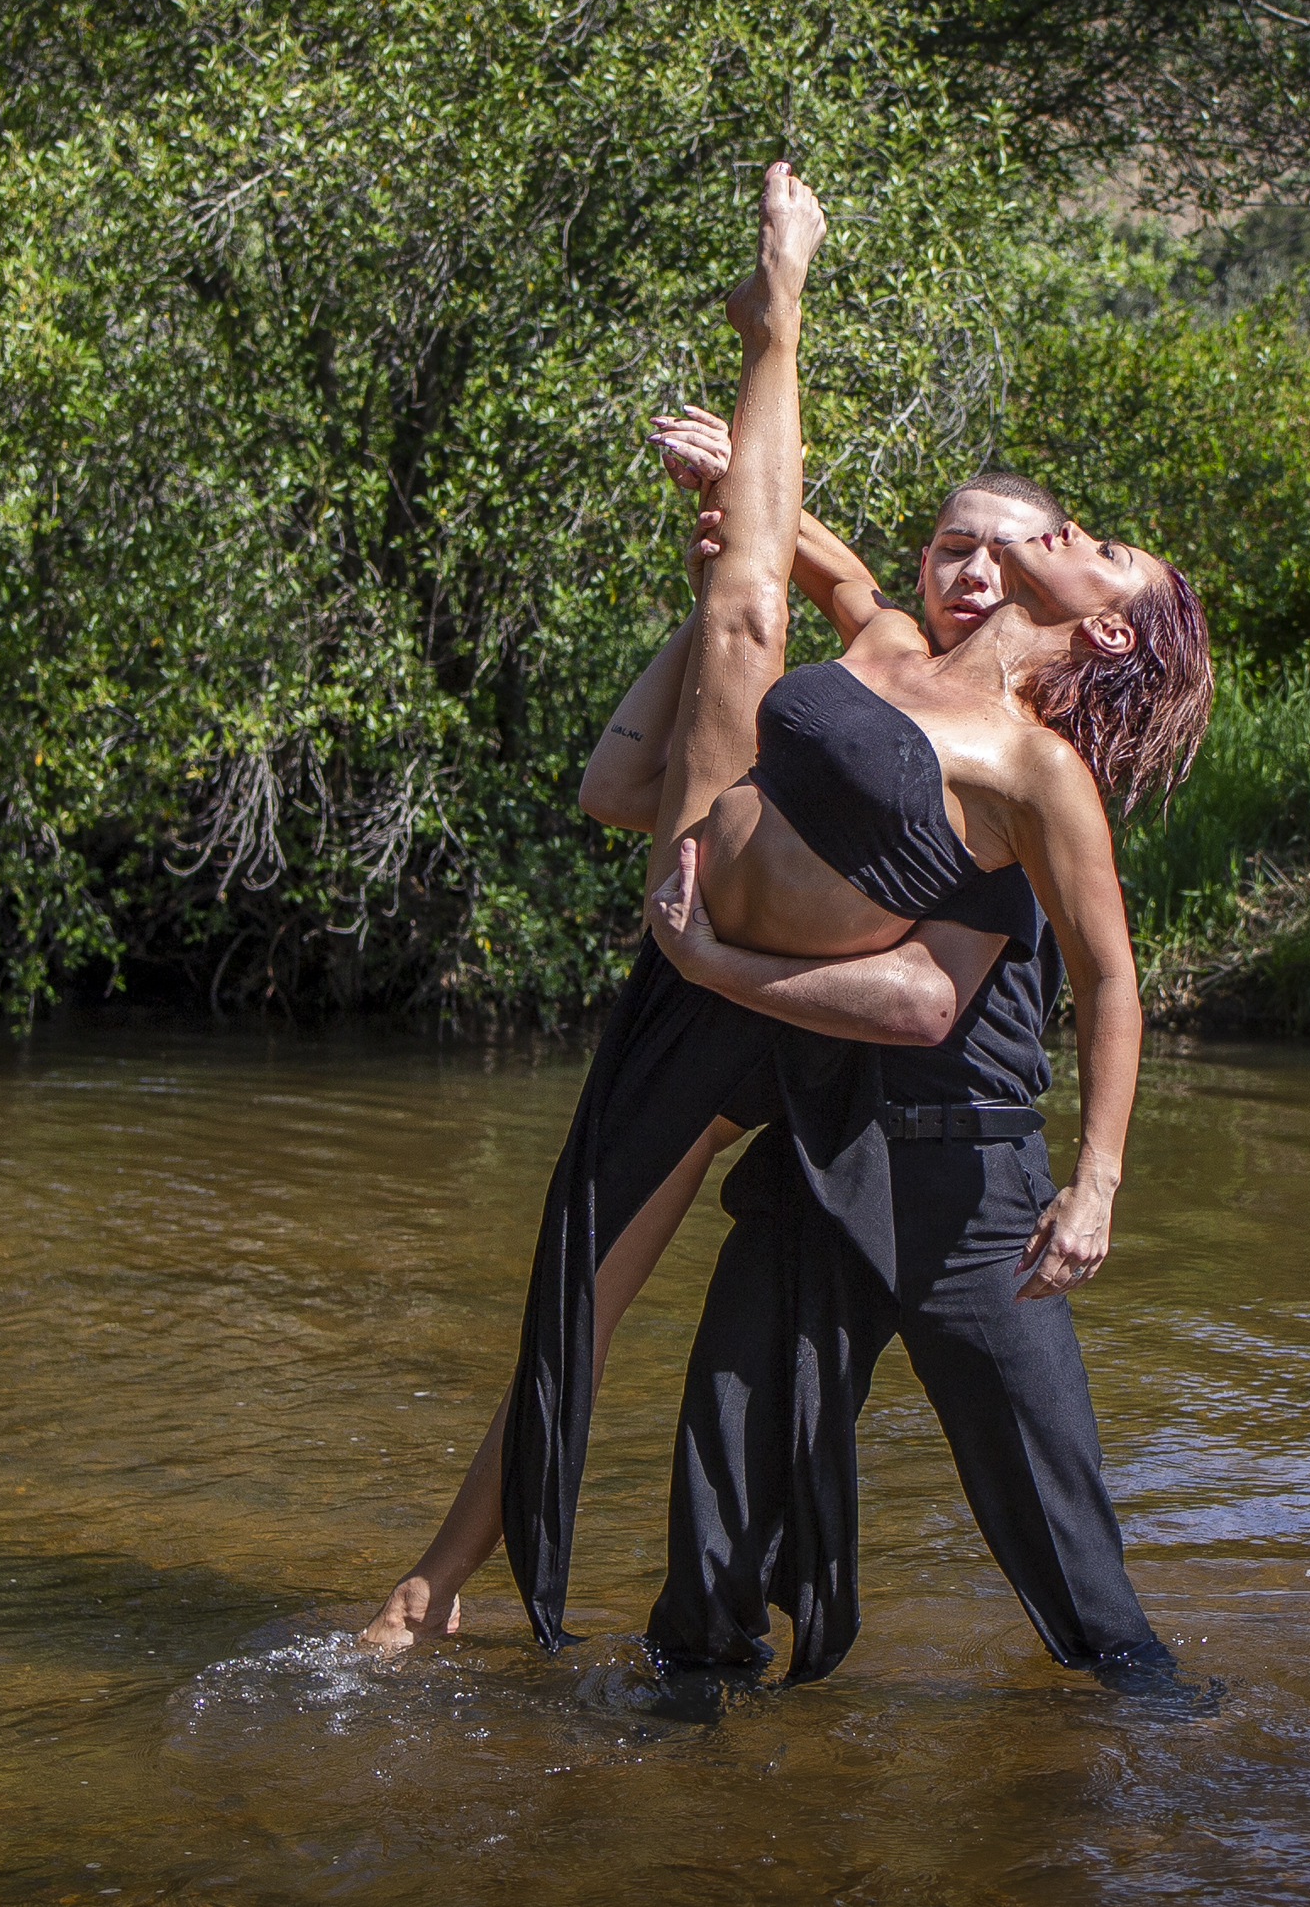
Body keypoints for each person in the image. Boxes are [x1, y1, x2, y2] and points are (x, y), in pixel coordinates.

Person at [358, 162, 1214, 1661]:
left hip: (843, 1060)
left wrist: (1096, 1182)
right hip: (711, 940)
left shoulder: (1038, 771)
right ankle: (430, 1594)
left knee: (1055, 1538)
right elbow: (789, 565)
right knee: (741, 600)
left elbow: (1030, 991)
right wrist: (734, 486)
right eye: (968, 540)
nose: (1001, 552)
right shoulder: (884, 636)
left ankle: (1127, 1706)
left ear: (1107, 614)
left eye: (1056, 542)